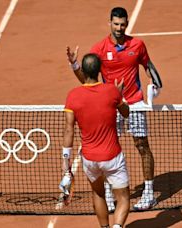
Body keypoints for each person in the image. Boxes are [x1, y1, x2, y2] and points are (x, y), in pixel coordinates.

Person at [66, 7, 161, 211]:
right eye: (116, 24)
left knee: (142, 145)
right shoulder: (99, 49)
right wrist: (75, 66)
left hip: (134, 103)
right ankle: (108, 194)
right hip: (109, 103)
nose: (119, 28)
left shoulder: (137, 45)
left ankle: (149, 193)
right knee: (107, 148)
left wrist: (155, 84)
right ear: (109, 23)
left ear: (126, 24)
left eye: (122, 24)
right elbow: (88, 80)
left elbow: (148, 66)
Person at [60, 53, 130, 228]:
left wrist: (65, 160)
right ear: (100, 70)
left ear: (82, 70)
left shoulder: (72, 96)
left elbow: (69, 129)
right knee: (123, 197)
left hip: (90, 160)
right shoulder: (111, 91)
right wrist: (119, 95)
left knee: (98, 193)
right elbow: (126, 113)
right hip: (112, 157)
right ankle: (117, 226)